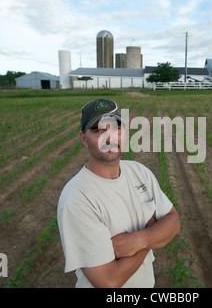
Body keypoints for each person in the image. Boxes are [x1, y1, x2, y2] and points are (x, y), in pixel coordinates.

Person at [57, 98, 180, 288]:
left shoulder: (139, 172)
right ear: (84, 138)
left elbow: (173, 221)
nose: (110, 137)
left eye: (116, 128)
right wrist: (153, 230)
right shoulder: (77, 197)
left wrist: (140, 240)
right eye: (98, 130)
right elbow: (109, 281)